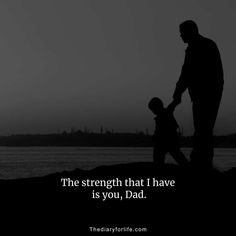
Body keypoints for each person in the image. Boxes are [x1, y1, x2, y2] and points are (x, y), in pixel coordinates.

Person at [173, 20, 224, 168]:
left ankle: (201, 163)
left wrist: (178, 92)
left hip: (207, 94)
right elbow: (187, 72)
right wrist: (179, 91)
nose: (180, 35)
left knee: (203, 129)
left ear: (191, 31)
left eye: (182, 32)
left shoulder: (202, 46)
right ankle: (202, 162)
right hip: (204, 94)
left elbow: (187, 72)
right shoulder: (198, 46)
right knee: (203, 129)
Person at [148, 97, 188, 166]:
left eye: (153, 110)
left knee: (176, 155)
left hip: (168, 140)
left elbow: (174, 103)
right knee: (177, 156)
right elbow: (158, 130)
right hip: (169, 140)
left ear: (156, 107)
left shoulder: (166, 112)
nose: (153, 112)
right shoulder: (164, 113)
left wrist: (177, 98)